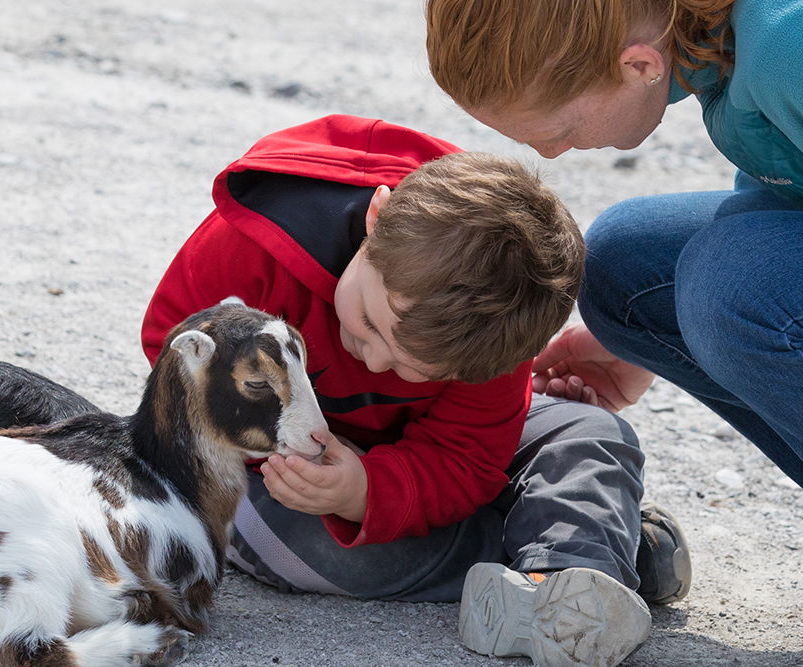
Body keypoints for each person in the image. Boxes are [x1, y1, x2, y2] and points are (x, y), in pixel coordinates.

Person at [142, 114, 688, 667]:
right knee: (308, 547)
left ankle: (572, 581)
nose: (377, 362)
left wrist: (367, 489)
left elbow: (468, 457)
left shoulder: (497, 320)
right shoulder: (254, 245)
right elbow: (175, 354)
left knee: (590, 427)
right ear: (376, 220)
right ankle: (590, 545)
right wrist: (325, 484)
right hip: (278, 466)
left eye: (421, 369)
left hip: (428, 453)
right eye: (371, 325)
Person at [425, 0, 803, 489]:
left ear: (640, 65)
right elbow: (785, 187)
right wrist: (666, 324)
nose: (551, 153)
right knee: (622, 270)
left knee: (732, 283)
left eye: (560, 132)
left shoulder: (785, 49)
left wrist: (735, 308)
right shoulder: (719, 43)